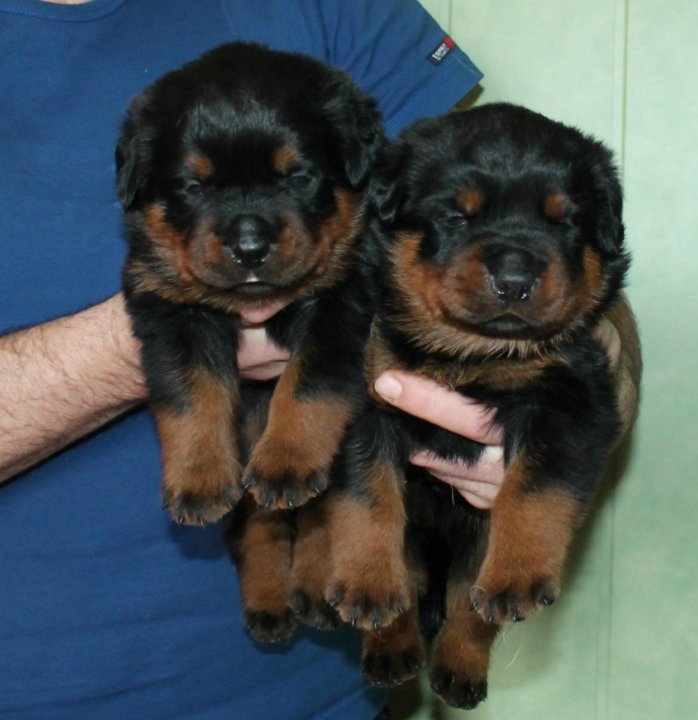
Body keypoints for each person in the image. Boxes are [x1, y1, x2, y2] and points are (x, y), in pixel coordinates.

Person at [0, 1, 639, 719]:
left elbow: (469, 187)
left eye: (294, 179)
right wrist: (134, 353)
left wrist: (595, 359)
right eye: (196, 186)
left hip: (319, 697)